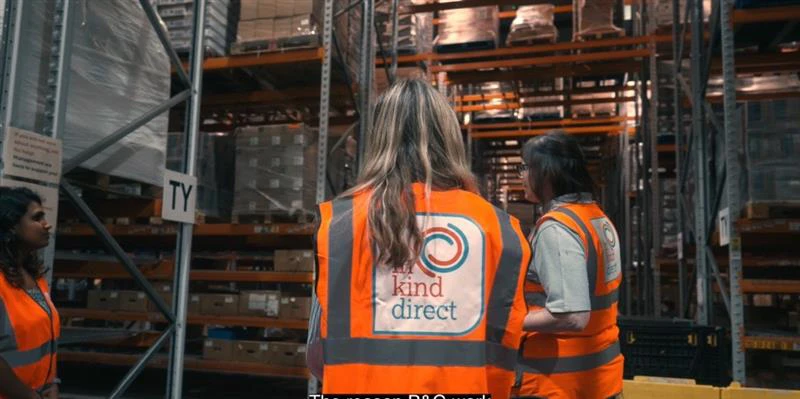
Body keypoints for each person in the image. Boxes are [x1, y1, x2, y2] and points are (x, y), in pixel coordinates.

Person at [307, 79, 531, 397]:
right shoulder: (501, 231)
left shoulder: (339, 225)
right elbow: (507, 351)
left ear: (379, 137)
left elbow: (317, 358)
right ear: (450, 137)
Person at [514, 131, 623, 399]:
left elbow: (571, 316)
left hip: (557, 385)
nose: (521, 176)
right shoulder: (597, 219)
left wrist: (508, 321)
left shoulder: (557, 228)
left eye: (525, 168)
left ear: (547, 173)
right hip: (600, 378)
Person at [0, 187, 60, 399]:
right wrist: (28, 396)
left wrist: (52, 383)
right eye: (37, 218)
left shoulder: (33, 276)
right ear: (12, 226)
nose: (47, 224)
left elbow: (44, 338)